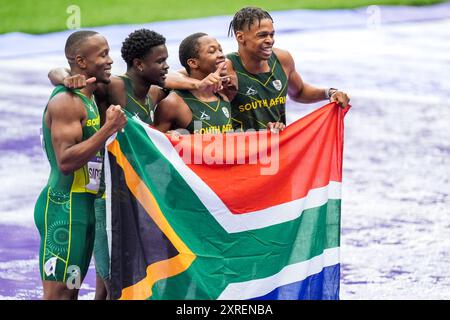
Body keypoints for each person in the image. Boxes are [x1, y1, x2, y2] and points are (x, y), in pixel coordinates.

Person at [34, 30, 127, 300]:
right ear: (81, 61)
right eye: (103, 54)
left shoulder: (89, 95)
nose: (110, 60)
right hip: (64, 208)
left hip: (84, 208)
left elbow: (57, 71)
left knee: (71, 292)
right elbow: (66, 161)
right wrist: (107, 128)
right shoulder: (67, 101)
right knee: (59, 295)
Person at [179, 7, 350, 131]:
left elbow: (299, 92)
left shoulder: (283, 59)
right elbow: (176, 77)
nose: (270, 40)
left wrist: (329, 93)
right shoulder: (225, 67)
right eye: (262, 35)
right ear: (240, 37)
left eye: (272, 34)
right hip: (240, 154)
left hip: (276, 149)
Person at [154, 32, 285, 134]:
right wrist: (172, 139)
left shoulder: (224, 95)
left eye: (220, 50)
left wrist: (268, 132)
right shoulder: (173, 104)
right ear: (193, 63)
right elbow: (152, 148)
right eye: (212, 51)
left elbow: (236, 140)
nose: (221, 55)